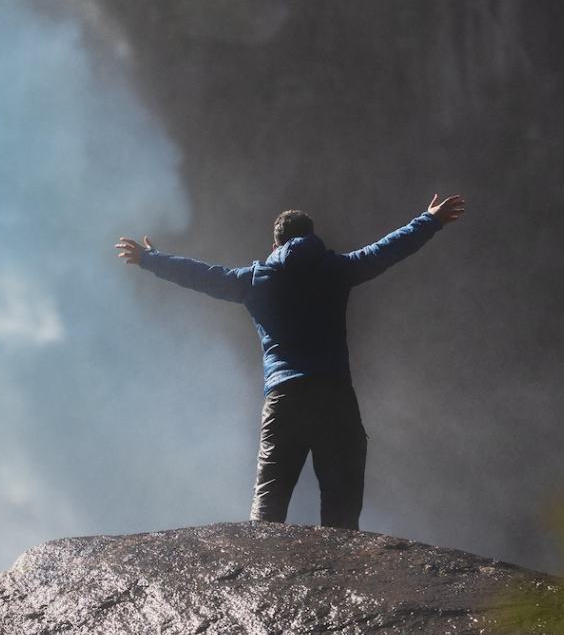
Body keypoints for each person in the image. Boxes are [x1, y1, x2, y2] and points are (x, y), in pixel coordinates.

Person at [114, 194, 467, 529]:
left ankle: (255, 571)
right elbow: (386, 251)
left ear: (274, 246)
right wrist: (429, 220)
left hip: (284, 400)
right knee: (341, 510)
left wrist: (151, 259)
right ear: (313, 237)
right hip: (334, 397)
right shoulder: (338, 268)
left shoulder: (255, 280)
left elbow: (202, 275)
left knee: (268, 508)